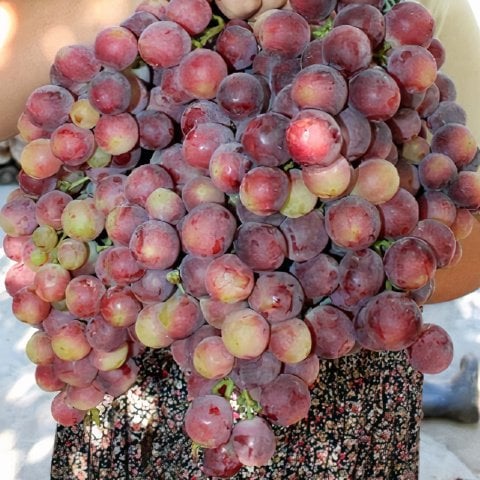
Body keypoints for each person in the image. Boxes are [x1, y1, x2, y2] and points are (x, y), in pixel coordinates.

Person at [0, 0, 478, 479]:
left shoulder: (396, 21)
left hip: (338, 386)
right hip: (135, 377)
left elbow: (465, 259)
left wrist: (358, 267)